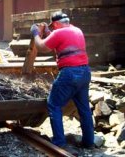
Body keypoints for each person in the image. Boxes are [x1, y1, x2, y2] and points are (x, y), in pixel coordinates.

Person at [30, 11, 94, 148]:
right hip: (85, 72)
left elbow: (42, 47)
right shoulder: (77, 30)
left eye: (53, 27)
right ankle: (89, 142)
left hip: (69, 73)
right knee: (84, 109)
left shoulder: (58, 33)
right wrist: (48, 32)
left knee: (54, 104)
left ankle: (59, 142)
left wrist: (36, 33)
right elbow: (58, 40)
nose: (52, 30)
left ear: (57, 23)